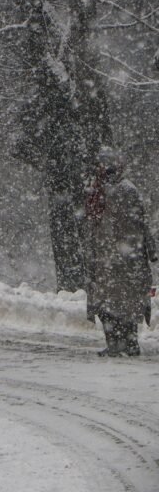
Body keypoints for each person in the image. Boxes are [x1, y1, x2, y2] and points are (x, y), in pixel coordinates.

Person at [84, 148, 157, 357]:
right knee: (107, 303)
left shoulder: (125, 190)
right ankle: (116, 343)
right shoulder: (98, 190)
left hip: (124, 258)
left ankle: (128, 343)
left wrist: (147, 249)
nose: (104, 171)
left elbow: (138, 223)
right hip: (106, 258)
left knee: (125, 303)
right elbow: (94, 225)